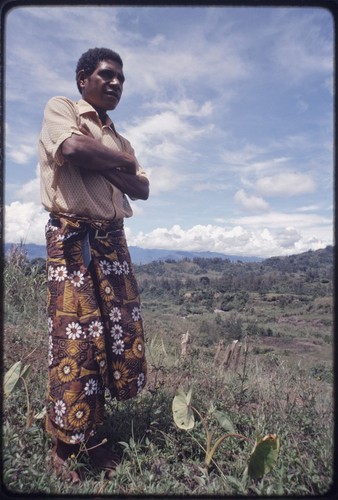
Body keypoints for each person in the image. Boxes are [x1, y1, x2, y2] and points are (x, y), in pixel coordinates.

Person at [38, 47, 149, 483]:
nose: (116, 83)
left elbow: (141, 189)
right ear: (84, 78)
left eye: (121, 78)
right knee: (77, 342)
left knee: (115, 342)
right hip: (73, 241)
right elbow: (72, 147)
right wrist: (118, 163)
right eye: (107, 75)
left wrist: (109, 158)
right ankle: (63, 445)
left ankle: (94, 435)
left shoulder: (119, 137)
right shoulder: (62, 108)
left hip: (113, 244)